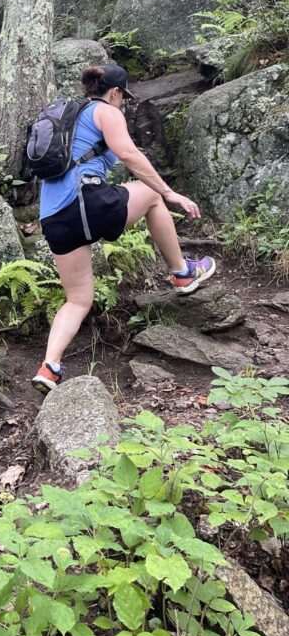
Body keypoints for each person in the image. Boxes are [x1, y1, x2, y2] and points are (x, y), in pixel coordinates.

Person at [32, 63, 216, 395]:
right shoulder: (105, 110)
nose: (123, 104)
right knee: (151, 196)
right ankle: (182, 272)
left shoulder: (72, 121)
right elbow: (129, 154)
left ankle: (50, 366)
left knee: (77, 299)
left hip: (54, 218)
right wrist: (169, 191)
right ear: (115, 92)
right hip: (84, 202)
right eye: (124, 98)